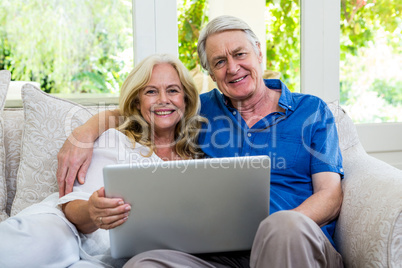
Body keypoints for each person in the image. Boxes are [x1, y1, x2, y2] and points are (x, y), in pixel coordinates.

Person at [57, 15, 344, 267]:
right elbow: (147, 106)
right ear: (210, 73)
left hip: (295, 245)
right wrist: (85, 132)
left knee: (284, 226)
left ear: (258, 52)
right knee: (144, 263)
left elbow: (330, 196)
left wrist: (271, 230)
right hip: (223, 255)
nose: (232, 68)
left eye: (239, 54)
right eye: (220, 62)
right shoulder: (201, 110)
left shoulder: (311, 111)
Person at [0, 53, 206, 268]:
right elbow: (71, 206)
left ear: (186, 98)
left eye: (173, 90)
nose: (163, 99)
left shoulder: (199, 153)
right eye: (151, 91)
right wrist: (91, 210)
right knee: (39, 246)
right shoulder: (116, 140)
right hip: (68, 232)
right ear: (138, 101)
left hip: (112, 259)